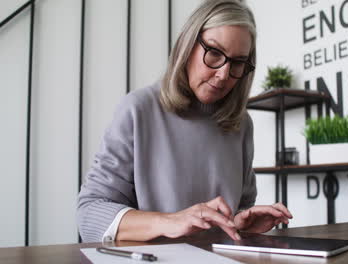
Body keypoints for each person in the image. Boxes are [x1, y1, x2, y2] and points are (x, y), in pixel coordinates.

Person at [77, 0, 293, 243]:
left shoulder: (241, 124)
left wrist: (239, 222)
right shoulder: (138, 110)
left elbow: (240, 205)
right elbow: (90, 214)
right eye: (214, 53)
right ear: (187, 45)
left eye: (238, 63)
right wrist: (169, 222)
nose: (223, 75)